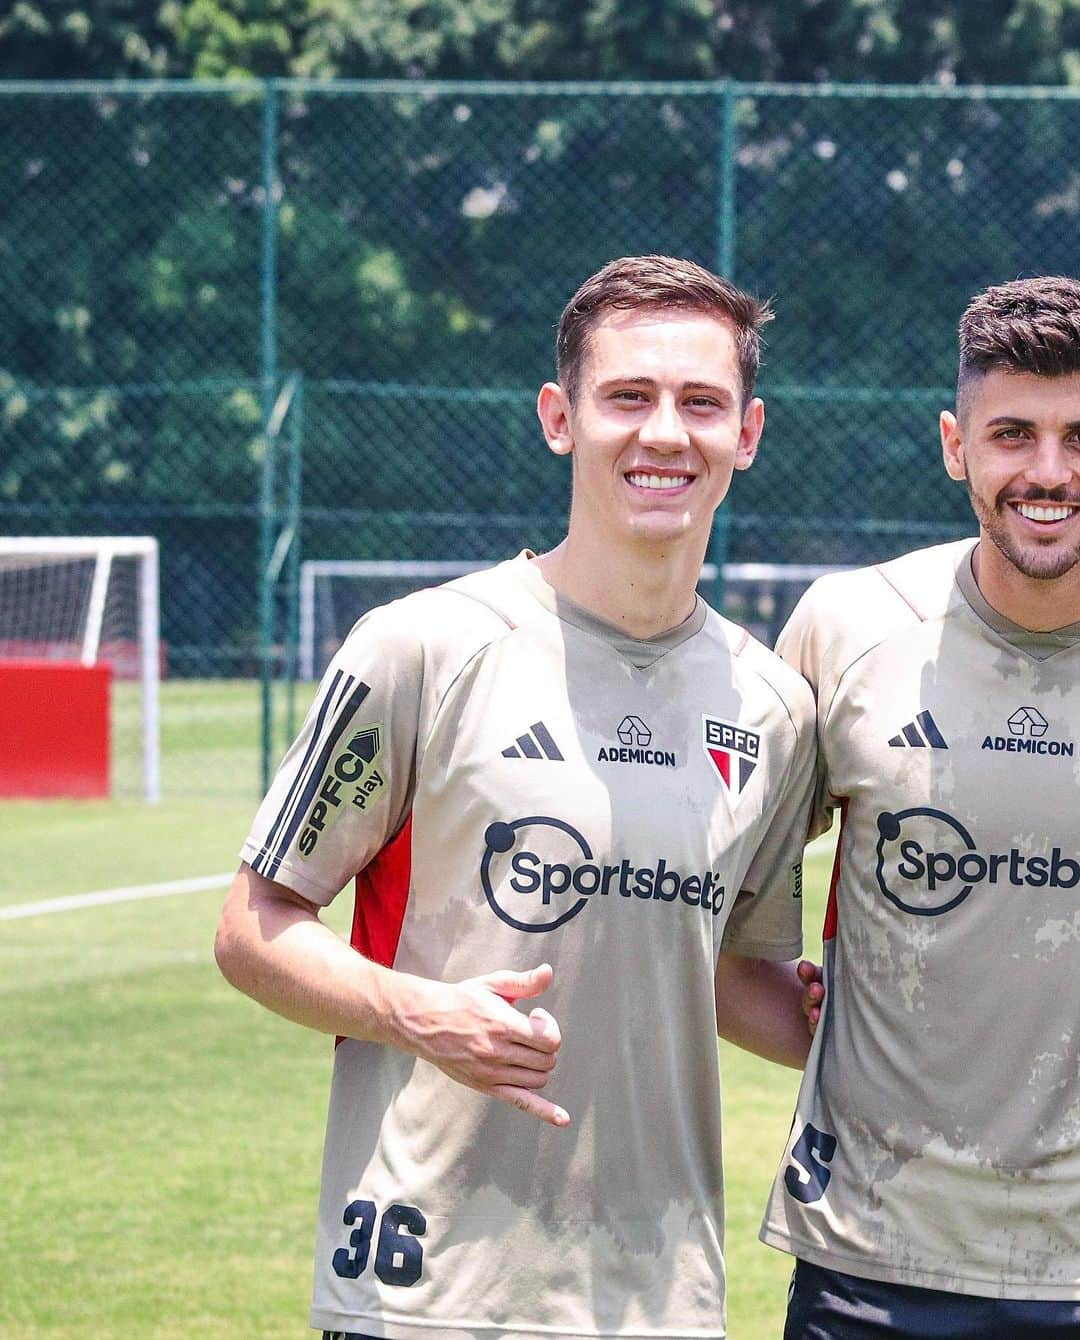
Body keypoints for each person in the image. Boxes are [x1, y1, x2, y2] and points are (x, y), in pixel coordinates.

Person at [215, 254, 818, 1340]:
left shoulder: (773, 704)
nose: (665, 433)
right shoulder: (422, 648)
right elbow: (252, 929)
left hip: (659, 1296)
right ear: (560, 415)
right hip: (425, 1285)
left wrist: (900, 1010)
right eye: (627, 396)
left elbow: (727, 977)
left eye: (702, 403)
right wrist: (423, 1012)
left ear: (751, 432)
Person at [761, 274, 1080, 1339]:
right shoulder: (849, 626)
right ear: (956, 444)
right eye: (1013, 433)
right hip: (875, 1260)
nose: (1048, 471)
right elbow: (705, 904)